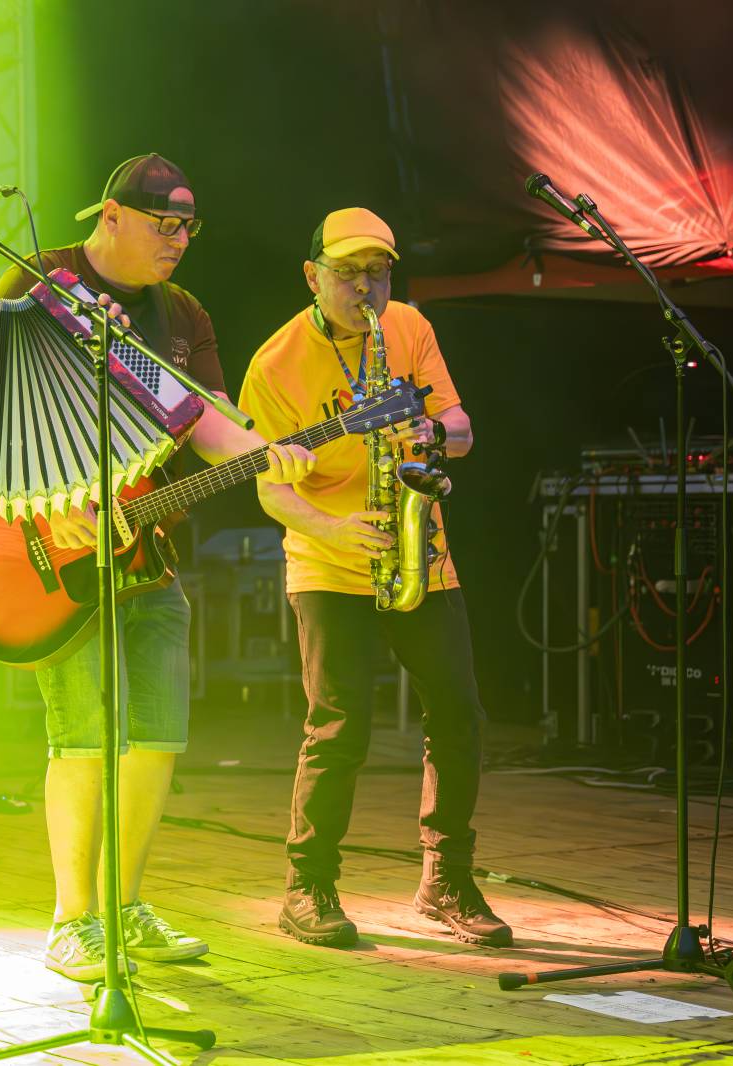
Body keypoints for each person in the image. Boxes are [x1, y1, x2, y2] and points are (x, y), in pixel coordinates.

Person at [0, 154, 315, 981]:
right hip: (51, 551)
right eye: (163, 225)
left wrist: (268, 455)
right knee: (85, 740)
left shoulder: (182, 314)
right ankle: (72, 921)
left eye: (188, 229)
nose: (178, 241)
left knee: (158, 740)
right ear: (110, 216)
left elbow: (208, 421)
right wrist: (41, 499)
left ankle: (124, 908)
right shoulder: (39, 284)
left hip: (151, 547)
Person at [238, 207, 512, 949]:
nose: (365, 287)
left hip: (420, 551)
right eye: (348, 272)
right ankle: (310, 885)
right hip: (329, 561)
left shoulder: (410, 330)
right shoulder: (276, 363)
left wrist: (431, 433)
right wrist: (333, 528)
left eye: (378, 271)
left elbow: (463, 429)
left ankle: (446, 878)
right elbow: (268, 485)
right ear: (312, 274)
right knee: (338, 728)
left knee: (459, 715)